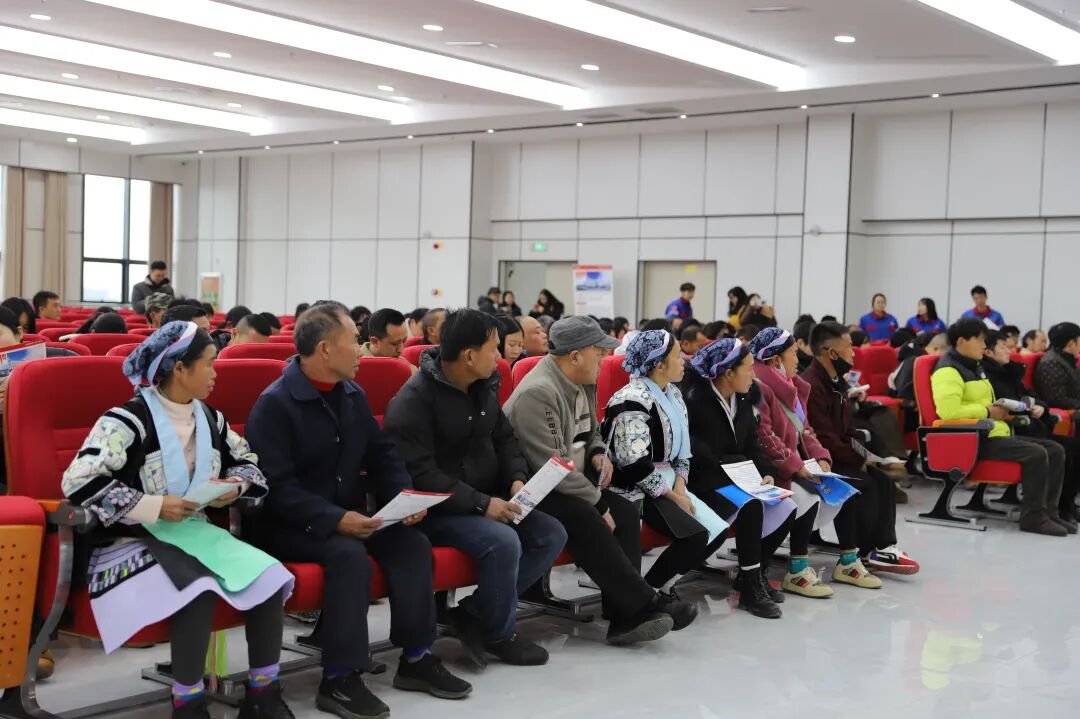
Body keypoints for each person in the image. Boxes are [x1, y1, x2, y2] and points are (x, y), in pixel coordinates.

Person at [245, 302, 472, 718]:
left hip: (349, 516)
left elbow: (383, 455)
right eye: (354, 341)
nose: (361, 351)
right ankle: (340, 678)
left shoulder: (351, 394)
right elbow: (276, 488)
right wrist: (335, 519)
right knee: (348, 556)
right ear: (325, 349)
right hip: (290, 525)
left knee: (410, 544)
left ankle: (417, 657)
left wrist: (402, 498)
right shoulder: (275, 404)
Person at [61, 321, 295, 719]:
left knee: (270, 577)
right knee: (197, 589)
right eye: (209, 363)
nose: (216, 372)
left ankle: (263, 695)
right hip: (131, 538)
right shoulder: (126, 420)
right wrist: (153, 505)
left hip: (192, 532)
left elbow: (249, 464)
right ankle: (187, 703)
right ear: (180, 369)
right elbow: (78, 481)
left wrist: (234, 488)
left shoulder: (211, 419)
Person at [383, 310, 567, 667]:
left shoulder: (484, 387)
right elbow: (422, 473)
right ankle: (498, 633)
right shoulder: (414, 400)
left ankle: (474, 613)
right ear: (469, 356)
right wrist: (482, 504)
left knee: (550, 534)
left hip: (485, 498)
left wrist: (515, 477)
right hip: (437, 508)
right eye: (493, 348)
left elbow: (505, 439)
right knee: (503, 542)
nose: (500, 357)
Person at [505, 316, 684, 644]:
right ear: (574, 356)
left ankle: (623, 617)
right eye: (598, 352)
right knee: (590, 515)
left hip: (571, 483)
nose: (605, 358)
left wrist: (599, 452)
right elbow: (551, 467)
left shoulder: (583, 380)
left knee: (625, 511)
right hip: (535, 488)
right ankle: (645, 601)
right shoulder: (538, 393)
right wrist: (598, 502)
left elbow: (592, 432)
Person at [602, 330, 722, 622]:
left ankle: (653, 589)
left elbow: (683, 451)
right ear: (658, 365)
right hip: (635, 486)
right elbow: (633, 463)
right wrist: (672, 496)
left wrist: (680, 485)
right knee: (696, 536)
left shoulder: (673, 394)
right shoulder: (630, 399)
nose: (684, 362)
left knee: (714, 533)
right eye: (678, 356)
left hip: (669, 481)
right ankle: (648, 596)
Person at [677, 338, 797, 617]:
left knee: (786, 506)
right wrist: (732, 467)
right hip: (704, 481)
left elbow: (752, 442)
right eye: (749, 368)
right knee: (750, 506)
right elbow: (695, 453)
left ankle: (753, 574)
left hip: (736, 477)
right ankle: (750, 592)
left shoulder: (743, 398)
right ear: (728, 372)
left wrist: (766, 471)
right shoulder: (694, 401)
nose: (754, 375)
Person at [748, 328, 869, 597]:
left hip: (792, 463)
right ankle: (796, 570)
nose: (798, 359)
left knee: (842, 488)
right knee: (807, 496)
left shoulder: (791, 386)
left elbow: (805, 431)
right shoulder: (759, 388)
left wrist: (822, 457)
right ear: (776, 360)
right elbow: (764, 438)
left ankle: (849, 561)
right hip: (769, 468)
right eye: (793, 354)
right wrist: (797, 466)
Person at [802, 321, 920, 573]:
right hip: (819, 460)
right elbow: (823, 439)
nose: (853, 354)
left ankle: (882, 546)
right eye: (848, 347)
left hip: (838, 454)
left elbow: (846, 429)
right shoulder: (812, 385)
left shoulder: (836, 383)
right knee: (863, 481)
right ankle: (864, 551)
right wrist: (859, 460)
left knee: (882, 477)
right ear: (831, 353)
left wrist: (874, 456)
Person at [932, 319, 1067, 536]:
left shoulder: (974, 366)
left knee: (1055, 450)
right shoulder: (948, 371)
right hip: (972, 439)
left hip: (993, 433)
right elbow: (948, 412)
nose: (984, 345)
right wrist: (987, 412)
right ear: (961, 341)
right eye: (980, 340)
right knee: (1036, 453)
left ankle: (1050, 513)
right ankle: (1032, 517)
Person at [982, 330, 1080, 525]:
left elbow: (1032, 395)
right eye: (1004, 347)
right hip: (1014, 428)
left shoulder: (1008, 371)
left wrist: (1040, 407)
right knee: (1060, 450)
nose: (1010, 351)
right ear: (988, 352)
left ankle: (1059, 508)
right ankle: (1044, 512)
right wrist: (1026, 408)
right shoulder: (988, 376)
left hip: (1030, 425)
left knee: (1072, 448)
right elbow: (1004, 404)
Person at [1034, 322, 1080, 411]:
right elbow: (1057, 400)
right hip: (1068, 411)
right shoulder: (1051, 363)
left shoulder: (1067, 359)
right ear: (1071, 343)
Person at [361, 308, 417, 375]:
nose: (401, 350)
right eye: (395, 344)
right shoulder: (353, 367)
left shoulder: (409, 370)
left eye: (404, 341)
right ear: (375, 341)